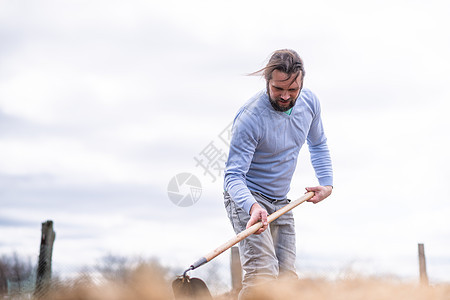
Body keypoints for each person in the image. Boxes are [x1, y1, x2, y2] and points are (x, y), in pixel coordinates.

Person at [223, 49, 333, 299]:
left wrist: (327, 184)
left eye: (293, 90)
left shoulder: (310, 103)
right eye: (278, 89)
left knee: (286, 281)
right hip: (248, 200)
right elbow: (233, 177)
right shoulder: (250, 118)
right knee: (262, 277)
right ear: (267, 82)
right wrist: (252, 207)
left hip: (281, 202)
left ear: (301, 83)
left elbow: (318, 143)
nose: (285, 96)